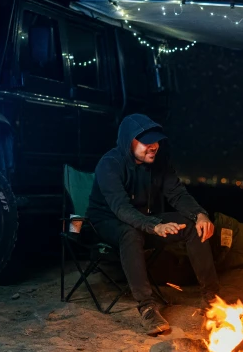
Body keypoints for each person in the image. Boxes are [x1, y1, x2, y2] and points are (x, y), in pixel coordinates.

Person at [87, 113, 220, 336]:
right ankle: (147, 308)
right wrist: (153, 226)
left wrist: (200, 214)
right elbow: (120, 208)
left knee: (192, 225)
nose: (154, 147)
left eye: (155, 141)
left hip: (145, 221)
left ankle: (212, 298)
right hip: (108, 223)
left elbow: (177, 194)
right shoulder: (110, 164)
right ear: (128, 142)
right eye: (146, 142)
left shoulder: (160, 163)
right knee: (130, 233)